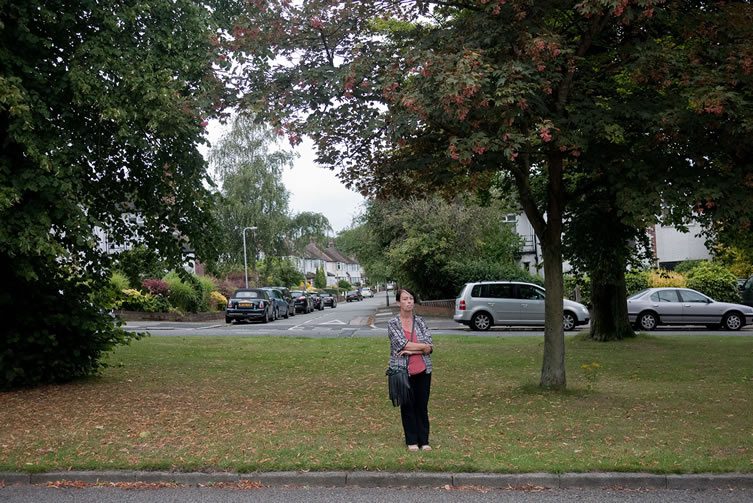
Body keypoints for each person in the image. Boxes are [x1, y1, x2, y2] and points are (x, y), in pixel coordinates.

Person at [387, 287, 434, 451]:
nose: (408, 302)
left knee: (422, 406)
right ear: (398, 302)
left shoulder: (420, 322)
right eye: (405, 299)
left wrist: (412, 350)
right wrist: (421, 347)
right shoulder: (393, 323)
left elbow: (429, 347)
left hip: (423, 369)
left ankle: (424, 441)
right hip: (402, 371)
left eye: (411, 299)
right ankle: (412, 441)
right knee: (407, 406)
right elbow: (401, 344)